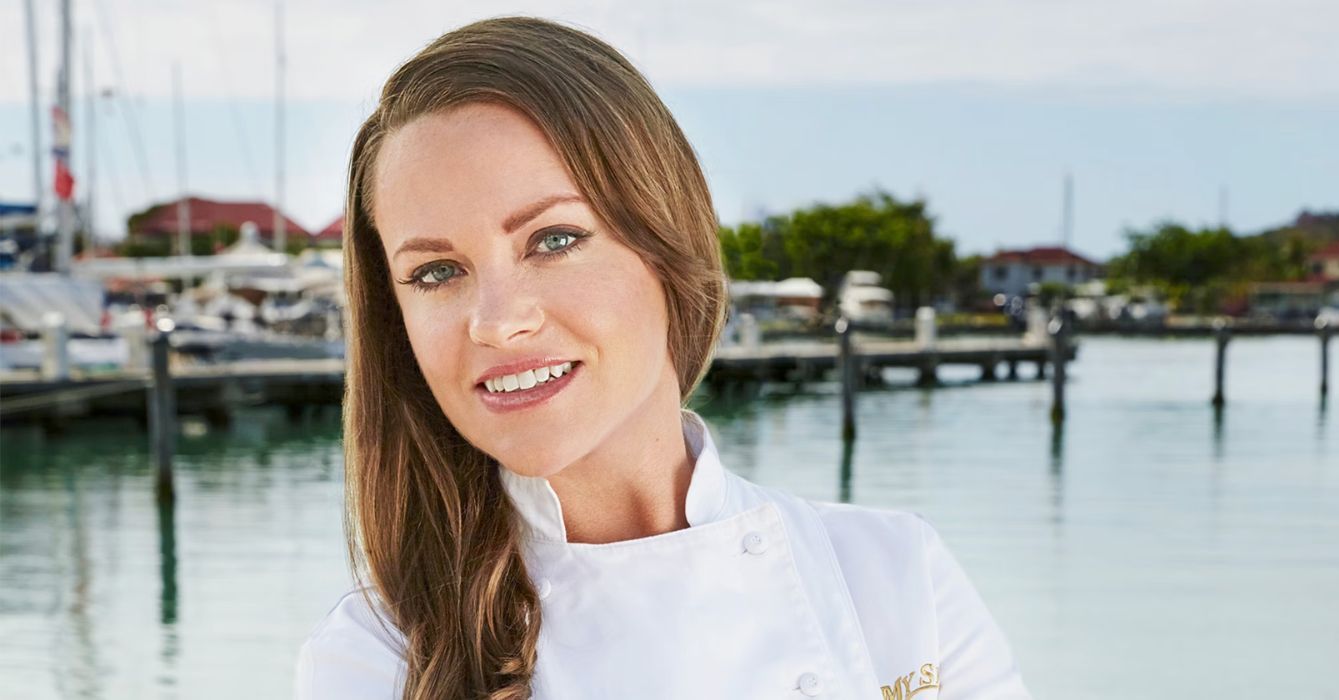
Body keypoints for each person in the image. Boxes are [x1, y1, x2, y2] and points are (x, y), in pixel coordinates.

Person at [296, 15, 1034, 700]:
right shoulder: (376, 660)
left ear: (666, 243)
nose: (498, 322)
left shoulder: (894, 576)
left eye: (552, 240)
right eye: (436, 273)